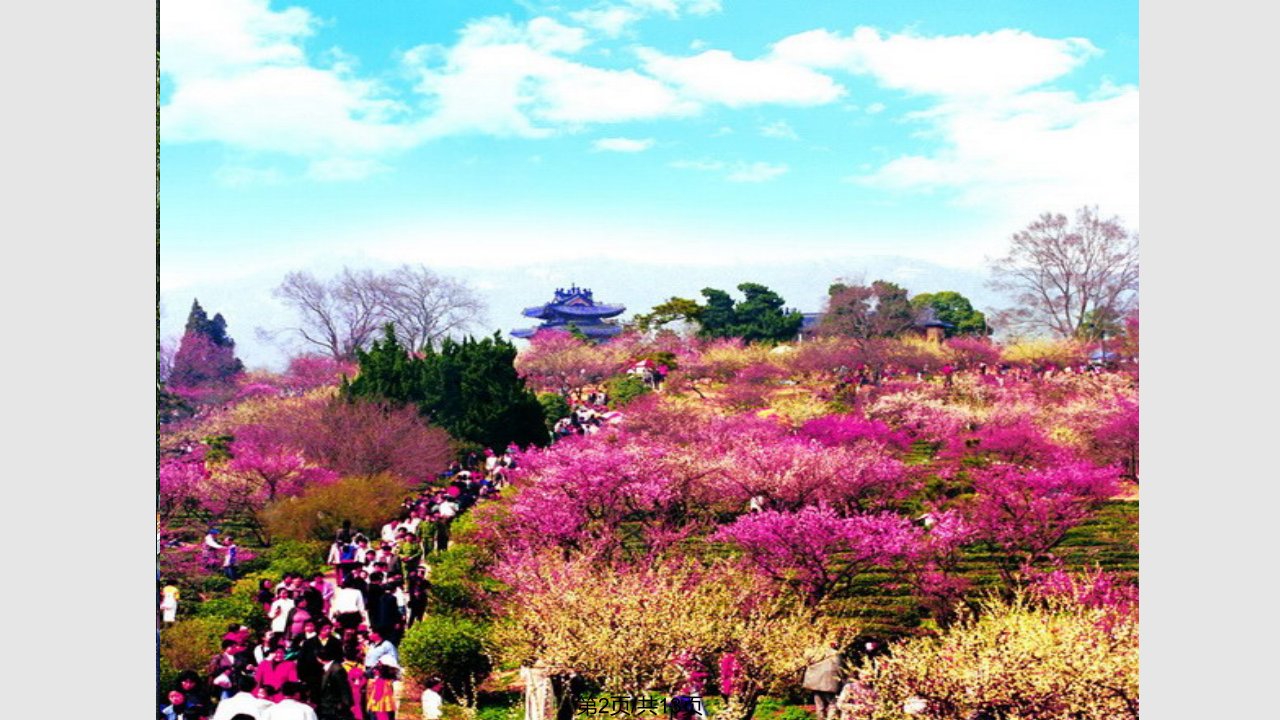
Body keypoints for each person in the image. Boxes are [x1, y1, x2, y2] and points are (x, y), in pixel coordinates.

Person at [802, 642, 846, 720]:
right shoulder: (835, 654)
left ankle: (820, 718)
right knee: (833, 703)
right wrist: (842, 680)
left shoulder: (815, 652)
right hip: (830, 682)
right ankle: (830, 718)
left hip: (815, 682)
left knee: (819, 704)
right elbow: (839, 668)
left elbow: (807, 661)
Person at [316, 646, 356, 720]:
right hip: (327, 707)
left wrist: (346, 706)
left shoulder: (337, 670)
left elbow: (344, 689)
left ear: (319, 658)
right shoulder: (327, 668)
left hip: (335, 708)